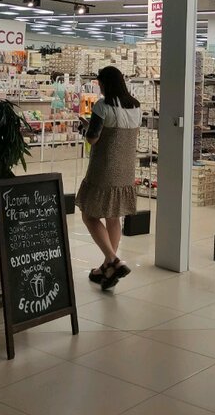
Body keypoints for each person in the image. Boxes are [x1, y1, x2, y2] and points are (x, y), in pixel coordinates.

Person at [75, 65, 140, 291]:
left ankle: (113, 260)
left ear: (106, 84)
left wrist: (85, 129)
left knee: (89, 215)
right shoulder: (136, 106)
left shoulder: (102, 106)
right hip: (126, 170)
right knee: (114, 217)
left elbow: (93, 138)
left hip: (104, 168)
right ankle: (107, 268)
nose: (99, 87)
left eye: (100, 83)